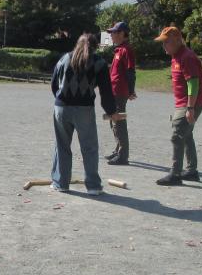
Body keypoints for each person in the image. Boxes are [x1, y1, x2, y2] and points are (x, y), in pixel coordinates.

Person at [50, 32, 125, 195]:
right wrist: (112, 112)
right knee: (89, 147)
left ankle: (60, 183)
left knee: (62, 146)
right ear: (96, 46)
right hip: (84, 109)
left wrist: (61, 99)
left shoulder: (64, 58)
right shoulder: (99, 62)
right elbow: (106, 92)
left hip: (61, 107)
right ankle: (93, 186)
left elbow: (54, 84)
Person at [155, 26, 202, 186]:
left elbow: (193, 81)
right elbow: (194, 80)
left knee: (177, 136)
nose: (164, 46)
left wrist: (191, 107)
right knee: (186, 135)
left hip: (187, 104)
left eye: (167, 42)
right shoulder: (176, 56)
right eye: (162, 42)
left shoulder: (187, 57)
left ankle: (175, 174)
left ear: (178, 40)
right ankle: (192, 171)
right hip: (185, 102)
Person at [104, 21, 137, 165]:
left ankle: (123, 155)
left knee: (119, 122)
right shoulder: (119, 50)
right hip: (113, 90)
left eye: (114, 33)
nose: (111, 35)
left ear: (122, 34)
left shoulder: (126, 50)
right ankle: (118, 150)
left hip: (120, 91)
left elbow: (131, 72)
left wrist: (130, 90)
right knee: (113, 121)